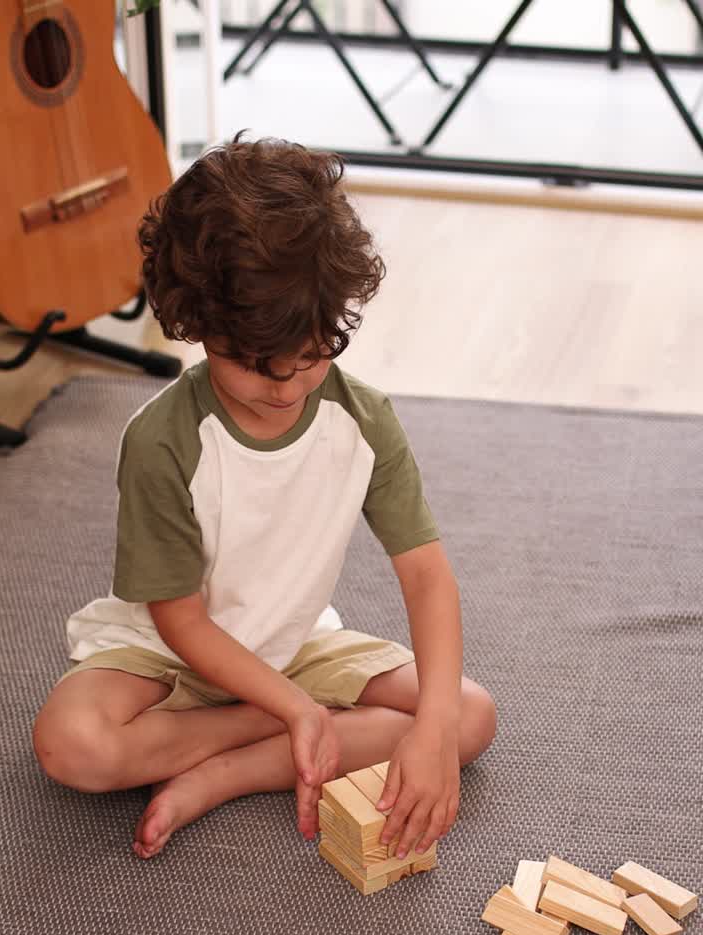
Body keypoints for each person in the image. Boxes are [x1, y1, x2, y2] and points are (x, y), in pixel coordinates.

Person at [32, 135, 496, 861]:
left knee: (467, 713)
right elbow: (179, 622)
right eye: (254, 367)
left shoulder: (363, 421)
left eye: (311, 359)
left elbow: (427, 576)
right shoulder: (162, 441)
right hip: (165, 658)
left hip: (291, 645)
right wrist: (292, 708)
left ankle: (229, 773)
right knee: (70, 745)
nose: (285, 388)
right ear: (194, 326)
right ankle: (294, 728)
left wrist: (432, 730)